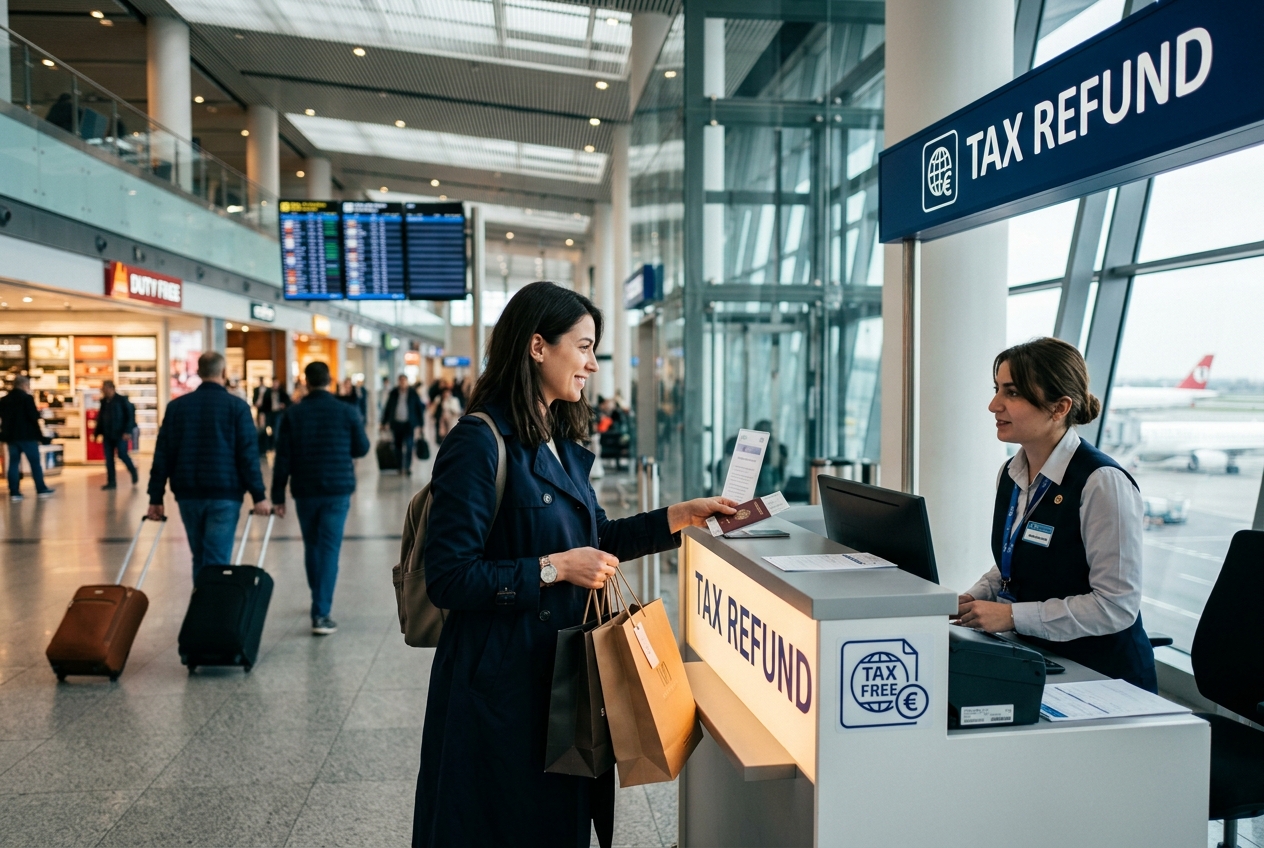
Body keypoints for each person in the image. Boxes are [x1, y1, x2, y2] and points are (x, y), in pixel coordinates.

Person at [411, 281, 736, 848]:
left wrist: (677, 517)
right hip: (500, 688)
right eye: (583, 347)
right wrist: (552, 569)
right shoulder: (479, 442)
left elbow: (596, 537)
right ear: (538, 346)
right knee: (501, 826)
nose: (592, 364)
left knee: (555, 823)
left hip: (559, 679)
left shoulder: (556, 437)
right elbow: (449, 576)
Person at [956, 337, 1157, 692]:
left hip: (1103, 679)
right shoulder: (1012, 473)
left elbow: (1116, 606)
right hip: (1040, 660)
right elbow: (1015, 559)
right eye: (996, 389)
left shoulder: (1101, 482)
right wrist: (976, 598)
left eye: (1012, 393)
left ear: (1059, 407)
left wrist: (1012, 616)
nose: (994, 405)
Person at [147, 352, 271, 576]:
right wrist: (258, 495)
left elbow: (163, 454)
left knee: (200, 557)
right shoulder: (238, 408)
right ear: (223, 372)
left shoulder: (177, 407)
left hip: (188, 493)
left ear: (198, 372)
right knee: (217, 560)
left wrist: (156, 497)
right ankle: (212, 599)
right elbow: (248, 456)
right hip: (225, 493)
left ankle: (202, 598)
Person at [271, 362, 370, 636]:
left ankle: (319, 598)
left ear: (306, 382)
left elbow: (282, 457)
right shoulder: (346, 411)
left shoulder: (293, 414)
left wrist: (277, 495)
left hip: (305, 489)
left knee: (312, 545)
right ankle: (321, 612)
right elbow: (362, 448)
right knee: (329, 548)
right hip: (337, 489)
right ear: (330, 380)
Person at [0, 376, 55, 501]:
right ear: (24, 385)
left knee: (13, 463)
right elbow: (33, 418)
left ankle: (14, 492)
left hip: (11, 437)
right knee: (35, 463)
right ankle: (40, 488)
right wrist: (41, 436)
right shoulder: (27, 398)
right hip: (27, 436)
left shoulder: (4, 400)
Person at [94, 380, 138, 490]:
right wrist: (96, 433)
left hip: (120, 434)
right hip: (107, 434)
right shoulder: (104, 402)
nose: (103, 391)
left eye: (104, 389)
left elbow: (130, 417)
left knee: (122, 454)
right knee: (109, 459)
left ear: (111, 388)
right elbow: (101, 419)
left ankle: (133, 470)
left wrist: (127, 431)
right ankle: (111, 482)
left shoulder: (122, 400)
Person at [382, 374, 424, 475]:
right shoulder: (394, 393)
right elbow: (388, 407)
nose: (402, 383)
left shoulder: (413, 393)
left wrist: (421, 424)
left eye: (404, 380)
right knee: (397, 446)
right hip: (396, 424)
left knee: (409, 445)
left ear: (407, 381)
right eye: (400, 381)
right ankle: (399, 467)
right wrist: (383, 422)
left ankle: (407, 467)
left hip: (409, 424)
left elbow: (419, 408)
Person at [256, 377, 292, 452]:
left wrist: (283, 405)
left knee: (276, 429)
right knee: (268, 430)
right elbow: (264, 404)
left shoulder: (282, 392)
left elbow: (288, 401)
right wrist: (262, 414)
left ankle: (276, 446)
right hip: (269, 413)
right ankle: (268, 446)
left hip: (278, 413)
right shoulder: (268, 392)